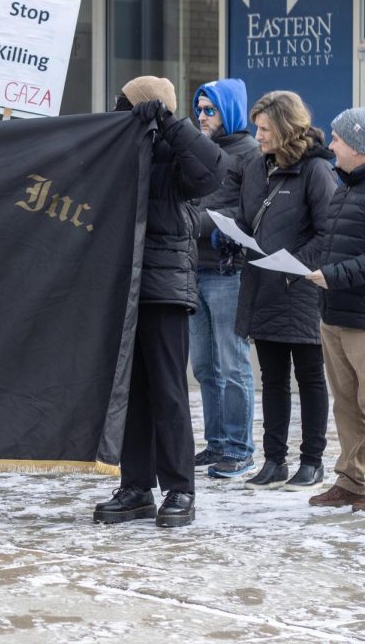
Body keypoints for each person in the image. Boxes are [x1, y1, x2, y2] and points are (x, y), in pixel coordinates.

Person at [93, 76, 225, 528]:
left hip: (165, 291)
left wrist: (170, 123)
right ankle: (135, 487)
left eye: (126, 105)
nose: (117, 110)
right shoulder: (121, 152)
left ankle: (180, 488)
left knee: (169, 393)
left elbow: (212, 170)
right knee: (131, 398)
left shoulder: (176, 156)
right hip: (121, 292)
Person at [234, 91, 335, 491]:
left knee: (310, 377)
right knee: (272, 378)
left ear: (286, 128)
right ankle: (274, 460)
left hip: (302, 287)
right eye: (256, 128)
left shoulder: (316, 171)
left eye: (264, 128)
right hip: (263, 286)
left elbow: (328, 233)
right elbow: (247, 218)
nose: (257, 136)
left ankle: (312, 461)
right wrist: (231, 232)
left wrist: (292, 266)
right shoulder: (256, 167)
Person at [187, 79, 260, 479]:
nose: (201, 116)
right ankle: (216, 443)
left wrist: (204, 225)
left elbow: (249, 214)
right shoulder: (200, 150)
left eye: (209, 109)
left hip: (228, 272)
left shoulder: (250, 154)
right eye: (198, 109)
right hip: (193, 268)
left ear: (229, 111)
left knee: (232, 363)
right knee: (203, 365)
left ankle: (239, 449)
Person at [306, 107, 365, 510]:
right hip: (333, 315)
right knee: (345, 404)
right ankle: (352, 480)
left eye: (338, 139)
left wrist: (335, 275)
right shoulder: (343, 188)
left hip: (361, 319)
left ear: (359, 146)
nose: (330, 145)